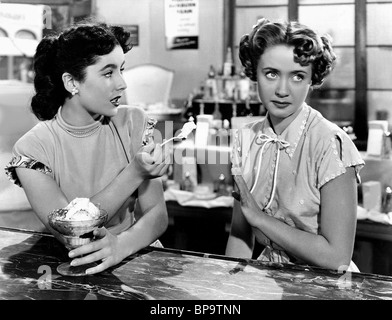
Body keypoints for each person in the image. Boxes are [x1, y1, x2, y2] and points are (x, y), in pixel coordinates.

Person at [5, 21, 170, 275]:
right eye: (108, 73)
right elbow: (72, 229)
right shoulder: (32, 148)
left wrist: (120, 246)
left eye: (121, 70)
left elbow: (157, 215)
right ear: (72, 83)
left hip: (134, 257)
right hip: (70, 268)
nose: (122, 83)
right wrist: (135, 172)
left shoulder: (133, 122)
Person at [225, 18, 365, 272]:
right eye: (271, 74)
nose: (282, 90)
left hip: (326, 286)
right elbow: (240, 234)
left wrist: (261, 220)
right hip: (265, 279)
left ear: (312, 80)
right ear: (254, 72)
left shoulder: (331, 144)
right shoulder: (245, 138)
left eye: (297, 77)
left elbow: (337, 258)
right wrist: (229, 287)